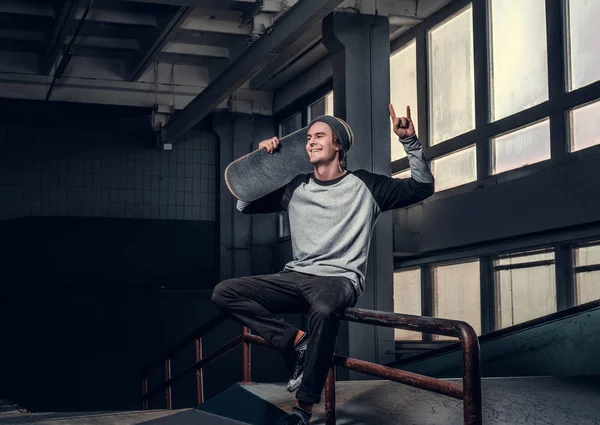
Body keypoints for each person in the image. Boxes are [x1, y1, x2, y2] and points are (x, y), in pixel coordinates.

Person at [212, 104, 434, 424]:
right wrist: (263, 165)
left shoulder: (367, 186)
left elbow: (421, 187)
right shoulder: (295, 187)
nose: (311, 141)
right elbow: (244, 204)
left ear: (338, 146)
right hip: (296, 275)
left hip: (339, 280)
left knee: (326, 311)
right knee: (225, 291)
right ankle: (296, 342)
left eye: (320, 136)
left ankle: (302, 409)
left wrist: (410, 141)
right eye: (308, 138)